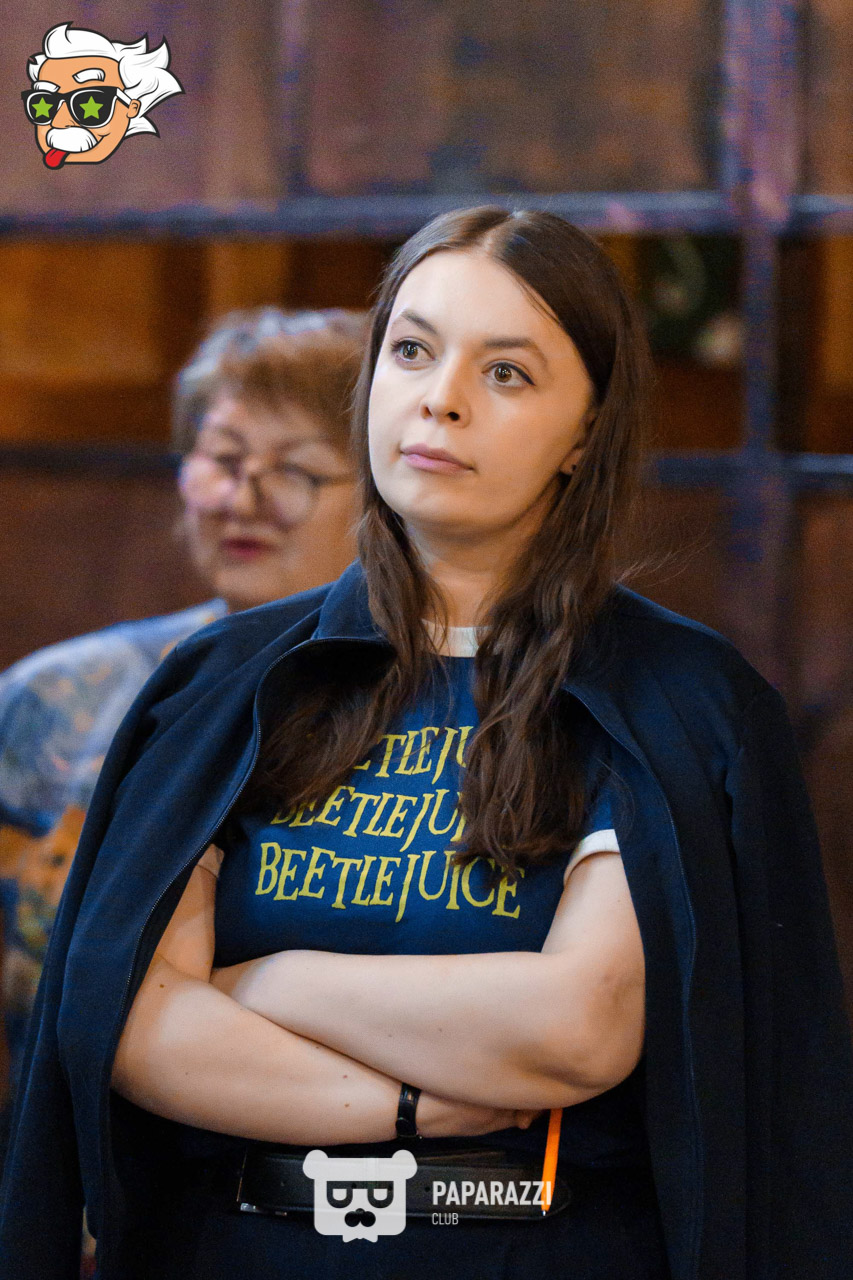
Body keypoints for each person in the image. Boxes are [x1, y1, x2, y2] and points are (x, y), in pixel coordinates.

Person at [2, 208, 852, 1280]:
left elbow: (575, 1027)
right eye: (412, 350)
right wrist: (418, 1104)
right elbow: (137, 1029)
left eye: (506, 372)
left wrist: (266, 981)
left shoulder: (673, 699)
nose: (441, 398)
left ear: (585, 432)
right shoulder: (224, 686)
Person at [0, 307, 366, 1137]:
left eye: (296, 470)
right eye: (222, 460)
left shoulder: (444, 716)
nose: (242, 499)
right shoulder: (54, 699)